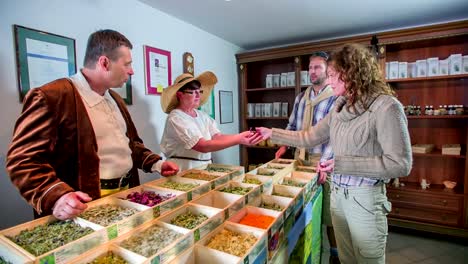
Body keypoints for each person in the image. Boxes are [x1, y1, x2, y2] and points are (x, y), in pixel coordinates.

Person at [256, 43, 412, 263]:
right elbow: (308, 136)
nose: (328, 81)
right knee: (346, 259)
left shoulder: (387, 107)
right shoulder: (340, 106)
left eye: (332, 75)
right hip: (338, 195)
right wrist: (271, 133)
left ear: (351, 73)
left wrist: (343, 164)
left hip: (365, 199)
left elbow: (400, 164)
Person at [6, 29, 179, 221]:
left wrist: (157, 163)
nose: (131, 71)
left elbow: (130, 145)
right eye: (127, 64)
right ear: (104, 63)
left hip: (126, 196)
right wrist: (56, 196)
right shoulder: (51, 97)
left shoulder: (115, 99)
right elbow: (22, 160)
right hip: (84, 207)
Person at [275, 51, 340, 263]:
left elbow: (334, 135)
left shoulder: (335, 97)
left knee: (329, 214)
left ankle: (334, 254)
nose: (312, 71)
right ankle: (307, 248)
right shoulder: (301, 97)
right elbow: (292, 126)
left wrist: (324, 163)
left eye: (317, 67)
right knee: (303, 207)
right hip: (300, 159)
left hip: (323, 161)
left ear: (327, 70)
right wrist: (284, 145)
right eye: (310, 67)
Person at [160, 72, 263, 170]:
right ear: (179, 95)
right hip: (182, 170)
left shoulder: (203, 116)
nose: (198, 96)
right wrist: (238, 139)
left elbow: (217, 137)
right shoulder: (176, 117)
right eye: (192, 92)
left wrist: (242, 136)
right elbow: (202, 146)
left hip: (203, 169)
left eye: (199, 91)